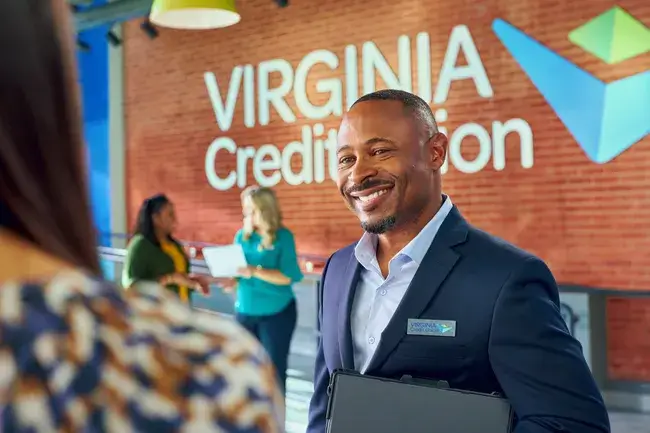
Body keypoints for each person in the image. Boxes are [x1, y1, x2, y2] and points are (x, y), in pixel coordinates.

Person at [0, 1, 283, 431]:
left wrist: (193, 281)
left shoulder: (176, 255)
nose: (174, 218)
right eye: (168, 213)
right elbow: (133, 283)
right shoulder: (193, 370)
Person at [306, 89, 610, 433]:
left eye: (380, 151)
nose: (358, 174)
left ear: (436, 152)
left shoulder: (506, 279)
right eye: (346, 159)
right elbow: (323, 407)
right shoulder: (338, 270)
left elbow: (572, 424)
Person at [229, 186, 303, 396]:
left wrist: (254, 271)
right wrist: (232, 280)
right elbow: (238, 271)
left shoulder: (283, 237)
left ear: (264, 210)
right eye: (245, 210)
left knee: (274, 372)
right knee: (243, 369)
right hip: (245, 312)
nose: (247, 215)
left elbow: (288, 276)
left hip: (277, 314)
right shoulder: (242, 237)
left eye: (251, 210)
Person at [123, 194, 208, 303]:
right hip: (156, 315)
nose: (175, 220)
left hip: (182, 312)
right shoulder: (140, 245)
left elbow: (178, 280)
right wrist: (169, 279)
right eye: (170, 215)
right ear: (156, 218)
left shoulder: (175, 245)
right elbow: (132, 286)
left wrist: (193, 282)